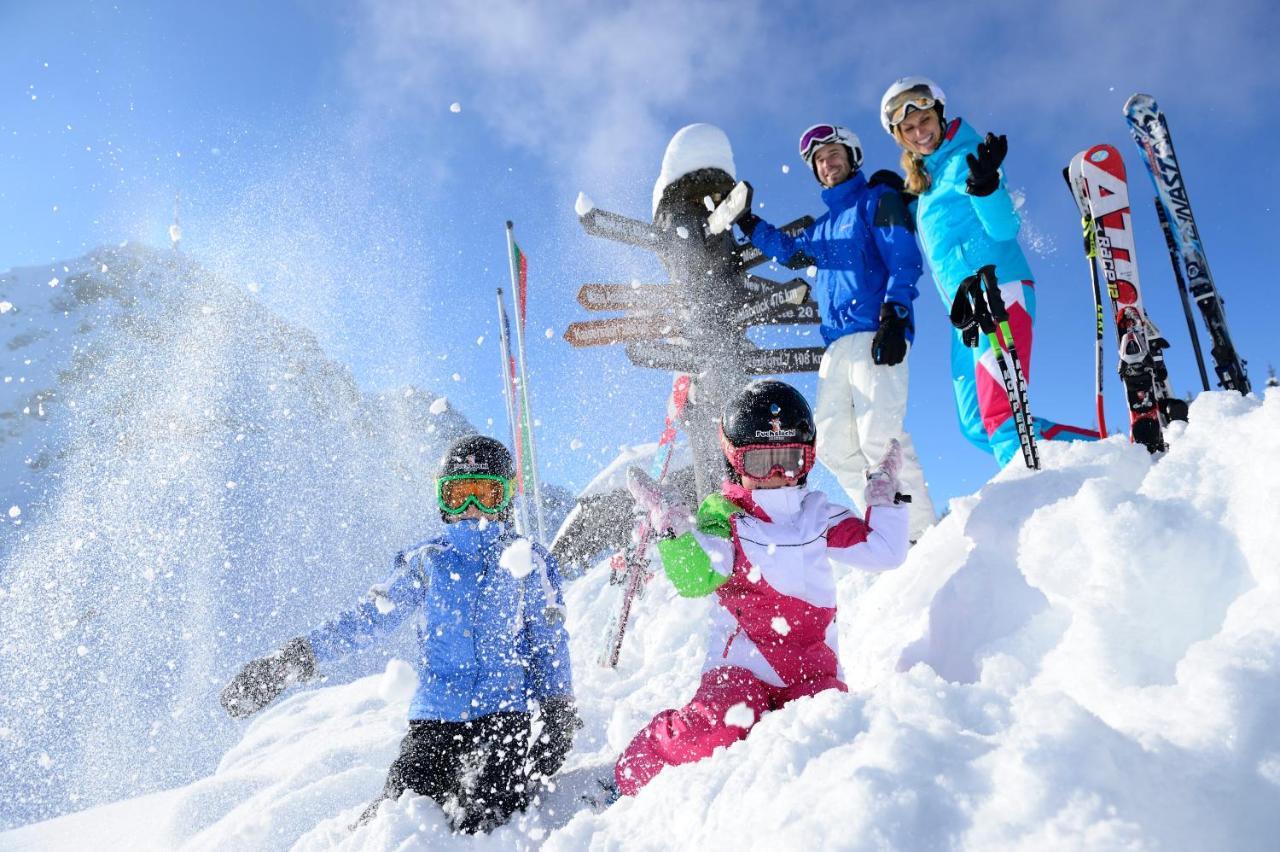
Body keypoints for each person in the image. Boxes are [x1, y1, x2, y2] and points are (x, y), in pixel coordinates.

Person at [219, 435, 577, 834]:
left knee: (484, 823)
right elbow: (368, 618)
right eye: (458, 495)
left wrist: (557, 707)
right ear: (443, 502)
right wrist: (296, 659)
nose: (471, 508)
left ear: (505, 499)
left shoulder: (527, 560)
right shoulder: (429, 561)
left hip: (504, 719)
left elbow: (548, 642)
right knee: (395, 819)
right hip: (435, 721)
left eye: (486, 494)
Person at [612, 380, 909, 796]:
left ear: (808, 459)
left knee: (832, 734)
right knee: (721, 724)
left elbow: (885, 551)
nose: (774, 476)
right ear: (735, 461)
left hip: (811, 670)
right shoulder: (725, 515)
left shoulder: (818, 513)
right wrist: (674, 532)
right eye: (759, 463)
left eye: (788, 461)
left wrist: (887, 497)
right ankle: (637, 765)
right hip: (742, 668)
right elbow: (699, 577)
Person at [879, 76, 1098, 466]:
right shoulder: (927, 181)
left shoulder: (969, 157)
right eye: (908, 129)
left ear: (939, 113)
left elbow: (1003, 229)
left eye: (924, 121)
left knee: (1002, 416)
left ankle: (1031, 498)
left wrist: (986, 187)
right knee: (978, 424)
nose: (919, 133)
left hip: (996, 289)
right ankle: (1100, 451)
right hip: (963, 312)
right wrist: (901, 201)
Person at [734, 124, 936, 542]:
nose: (827, 162)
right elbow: (789, 252)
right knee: (831, 444)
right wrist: (747, 221)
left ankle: (919, 534)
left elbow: (903, 258)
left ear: (853, 155)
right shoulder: (822, 227)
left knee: (880, 436)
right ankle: (882, 525)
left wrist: (896, 314)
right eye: (819, 159)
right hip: (835, 345)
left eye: (834, 152)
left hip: (874, 334)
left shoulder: (877, 201)